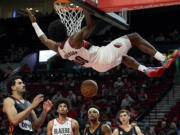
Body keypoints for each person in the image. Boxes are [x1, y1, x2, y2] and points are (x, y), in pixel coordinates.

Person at [27, 8, 179, 78]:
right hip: (102, 55)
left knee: (123, 58)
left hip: (99, 67)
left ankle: (146, 70)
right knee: (134, 37)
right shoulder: (73, 40)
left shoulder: (58, 49)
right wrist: (85, 6)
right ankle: (162, 58)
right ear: (65, 29)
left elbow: (43, 39)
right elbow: (91, 26)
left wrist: (34, 23)